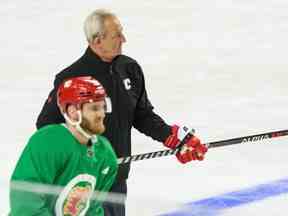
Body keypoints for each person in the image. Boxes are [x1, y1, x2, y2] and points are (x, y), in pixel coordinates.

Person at [36, 9, 208, 216]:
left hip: (115, 178)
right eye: (116, 35)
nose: (123, 39)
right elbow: (46, 126)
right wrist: (79, 153)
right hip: (81, 183)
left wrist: (172, 137)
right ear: (97, 41)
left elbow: (141, 114)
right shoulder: (72, 78)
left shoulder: (129, 68)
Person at [10, 76, 118, 215]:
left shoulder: (105, 153)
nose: (102, 114)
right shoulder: (49, 141)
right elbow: (26, 203)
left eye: (104, 107)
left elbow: (92, 209)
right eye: (95, 108)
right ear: (73, 111)